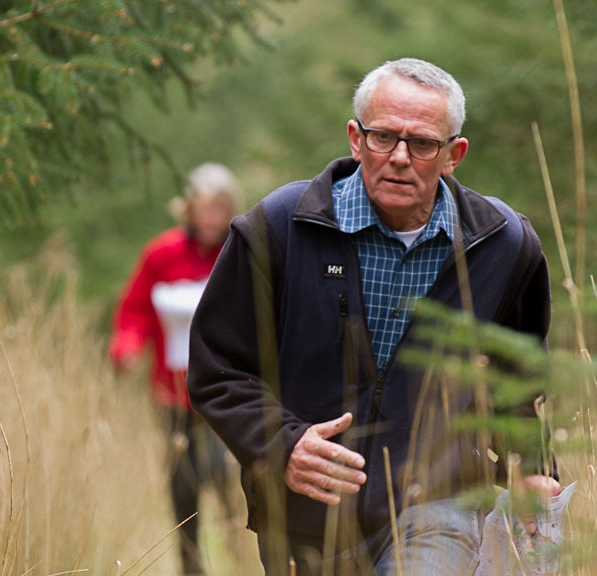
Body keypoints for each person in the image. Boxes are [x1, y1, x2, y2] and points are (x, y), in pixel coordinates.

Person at [187, 58, 560, 575]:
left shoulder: (504, 244)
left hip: (439, 501)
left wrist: (532, 469)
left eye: (423, 143)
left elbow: (517, 381)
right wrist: (282, 444)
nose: (400, 158)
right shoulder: (279, 226)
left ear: (454, 155)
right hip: (305, 514)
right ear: (356, 139)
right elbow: (217, 369)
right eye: (383, 137)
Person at [109, 163, 242, 575]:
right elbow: (134, 312)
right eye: (203, 208)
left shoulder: (240, 253)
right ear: (188, 209)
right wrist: (127, 347)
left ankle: (241, 557)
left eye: (219, 209)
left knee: (225, 476)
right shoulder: (161, 254)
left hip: (227, 391)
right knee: (183, 486)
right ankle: (191, 565)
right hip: (171, 394)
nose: (211, 218)